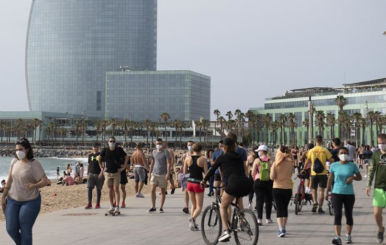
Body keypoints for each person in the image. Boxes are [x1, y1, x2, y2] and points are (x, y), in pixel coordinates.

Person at [201, 138, 251, 242]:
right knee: (237, 203)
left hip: (233, 183)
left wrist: (204, 180)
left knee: (223, 206)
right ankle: (241, 221)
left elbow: (212, 170)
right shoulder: (239, 157)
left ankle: (226, 231)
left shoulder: (222, 157)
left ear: (224, 147)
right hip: (245, 183)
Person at [1, 138, 49, 245]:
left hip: (30, 201)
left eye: (20, 149)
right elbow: (9, 180)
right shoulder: (14, 162)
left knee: (25, 230)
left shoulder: (34, 164)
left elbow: (45, 181)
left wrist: (34, 186)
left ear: (27, 150)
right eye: (16, 149)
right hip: (13, 200)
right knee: (11, 229)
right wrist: (3, 196)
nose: (18, 152)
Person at [326, 147, 362, 245]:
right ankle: (337, 237)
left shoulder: (352, 165)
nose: (343, 154)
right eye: (341, 153)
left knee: (348, 214)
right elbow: (330, 179)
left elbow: (360, 177)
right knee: (337, 214)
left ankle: (348, 235)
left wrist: (353, 178)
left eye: (345, 153)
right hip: (336, 192)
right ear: (338, 155)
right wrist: (327, 191)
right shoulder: (334, 165)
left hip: (349, 193)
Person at [99, 137, 129, 213]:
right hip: (108, 173)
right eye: (110, 141)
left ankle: (117, 206)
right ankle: (111, 205)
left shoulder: (119, 150)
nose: (112, 142)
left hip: (116, 172)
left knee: (116, 189)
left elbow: (127, 157)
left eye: (113, 141)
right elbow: (99, 158)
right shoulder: (105, 150)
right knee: (110, 189)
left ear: (115, 142)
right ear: (108, 142)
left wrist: (123, 168)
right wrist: (102, 168)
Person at [306, 135, 334, 213]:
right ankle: (320, 208)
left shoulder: (311, 150)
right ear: (322, 141)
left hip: (313, 173)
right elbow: (330, 160)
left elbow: (307, 161)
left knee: (314, 190)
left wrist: (304, 168)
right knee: (321, 191)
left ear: (315, 141)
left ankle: (315, 202)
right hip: (323, 173)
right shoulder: (325, 150)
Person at [366, 134, 386, 243]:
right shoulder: (376, 154)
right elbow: (372, 170)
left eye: (383, 143)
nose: (381, 145)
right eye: (379, 143)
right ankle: (381, 229)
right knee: (377, 213)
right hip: (379, 187)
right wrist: (368, 185)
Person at [270, 146, 294, 237]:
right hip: (288, 188)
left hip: (277, 188)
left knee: (279, 209)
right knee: (285, 208)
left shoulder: (275, 164)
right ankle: (284, 228)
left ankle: (280, 230)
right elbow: (291, 174)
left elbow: (272, 177)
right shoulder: (290, 163)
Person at [184, 143, 208, 231]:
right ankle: (192, 218)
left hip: (189, 182)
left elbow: (185, 171)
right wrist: (206, 181)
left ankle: (193, 225)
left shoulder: (187, 158)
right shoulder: (203, 159)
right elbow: (206, 172)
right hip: (198, 183)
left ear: (192, 149)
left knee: (193, 205)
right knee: (199, 207)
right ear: (201, 150)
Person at [148, 138, 171, 213]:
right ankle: (153, 206)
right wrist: (149, 173)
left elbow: (168, 163)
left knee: (162, 191)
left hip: (163, 174)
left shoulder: (165, 152)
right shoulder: (154, 152)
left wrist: (168, 173)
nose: (158, 145)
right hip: (154, 173)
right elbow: (152, 163)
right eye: (157, 143)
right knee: (152, 190)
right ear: (155, 144)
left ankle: (161, 207)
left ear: (162, 144)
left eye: (160, 143)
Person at [252, 145, 273, 225]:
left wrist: (255, 179)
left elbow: (253, 173)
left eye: (259, 151)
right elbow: (272, 172)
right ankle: (268, 218)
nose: (258, 153)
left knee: (259, 200)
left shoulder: (257, 160)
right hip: (268, 182)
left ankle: (259, 219)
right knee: (268, 200)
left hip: (258, 182)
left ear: (261, 151)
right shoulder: (270, 161)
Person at [85, 143, 104, 209]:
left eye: (96, 147)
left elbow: (102, 164)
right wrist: (87, 173)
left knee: (98, 189)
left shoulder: (100, 155)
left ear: (98, 148)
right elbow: (89, 164)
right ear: (92, 147)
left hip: (98, 174)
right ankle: (89, 203)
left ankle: (97, 204)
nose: (95, 148)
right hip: (91, 174)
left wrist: (101, 172)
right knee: (89, 188)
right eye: (94, 147)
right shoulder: (90, 155)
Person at [181, 140, 194, 214]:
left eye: (191, 145)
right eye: (189, 145)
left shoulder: (196, 155)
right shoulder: (185, 155)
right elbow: (183, 166)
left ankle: (193, 205)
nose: (190, 146)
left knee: (192, 191)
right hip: (186, 174)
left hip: (194, 174)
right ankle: (186, 206)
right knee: (186, 190)